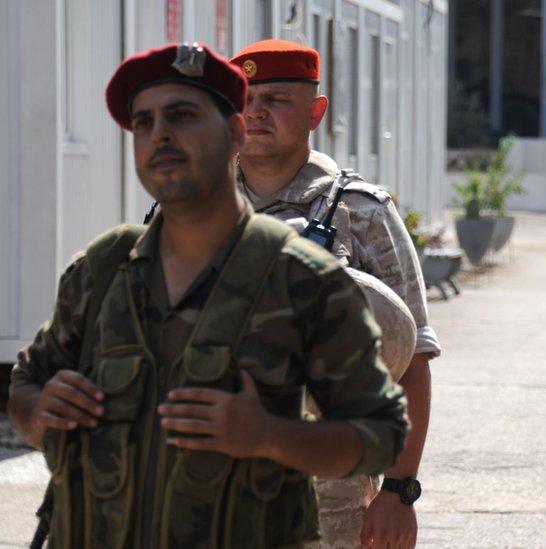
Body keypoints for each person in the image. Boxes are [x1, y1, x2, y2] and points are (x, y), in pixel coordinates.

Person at [6, 43, 408, 548]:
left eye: (183, 115)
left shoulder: (305, 278)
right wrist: (41, 410)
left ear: (233, 132)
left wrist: (269, 436)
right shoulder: (103, 267)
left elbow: (380, 429)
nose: (162, 135)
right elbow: (25, 387)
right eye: (144, 122)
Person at [229, 39, 439, 549]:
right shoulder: (194, 209)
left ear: (315, 112)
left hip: (329, 494)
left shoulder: (361, 212)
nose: (255, 114)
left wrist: (399, 490)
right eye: (244, 100)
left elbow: (411, 360)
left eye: (276, 100)